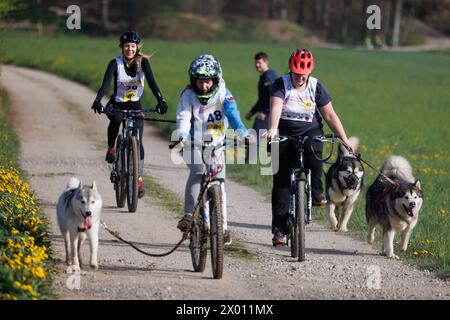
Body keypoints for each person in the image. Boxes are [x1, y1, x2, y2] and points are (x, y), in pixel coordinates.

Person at [265, 49, 354, 246]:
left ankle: (316, 191)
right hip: (284, 132)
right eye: (296, 74)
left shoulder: (316, 86)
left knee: (315, 146)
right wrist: (272, 129)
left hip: (310, 130)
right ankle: (279, 230)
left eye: (302, 75)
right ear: (291, 70)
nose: (299, 78)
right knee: (280, 181)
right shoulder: (281, 84)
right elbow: (276, 108)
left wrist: (344, 138)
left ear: (309, 72)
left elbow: (330, 115)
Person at [175, 54, 252, 245]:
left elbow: (234, 115)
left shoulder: (224, 93)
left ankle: (223, 228)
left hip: (217, 144)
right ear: (194, 81)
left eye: (207, 82)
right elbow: (183, 116)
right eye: (200, 82)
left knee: (220, 182)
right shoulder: (188, 95)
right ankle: (188, 215)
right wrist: (182, 136)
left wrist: (243, 133)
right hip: (193, 143)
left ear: (215, 80)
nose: (204, 87)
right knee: (198, 172)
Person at [91, 31, 168, 198]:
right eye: (126, 46)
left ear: (137, 47)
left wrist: (161, 100)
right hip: (117, 104)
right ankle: (112, 148)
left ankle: (138, 180)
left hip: (135, 105)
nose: (130, 49)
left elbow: (152, 82)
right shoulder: (115, 63)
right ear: (121, 47)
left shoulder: (143, 63)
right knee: (117, 119)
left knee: (138, 142)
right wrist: (98, 101)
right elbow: (105, 84)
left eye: (133, 46)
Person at [245, 52, 278, 163]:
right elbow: (262, 99)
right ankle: (249, 163)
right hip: (267, 113)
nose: (257, 65)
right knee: (264, 141)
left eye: (259, 62)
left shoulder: (269, 77)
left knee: (254, 139)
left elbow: (274, 97)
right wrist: (252, 112)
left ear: (266, 62)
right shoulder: (264, 77)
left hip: (269, 115)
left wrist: (266, 112)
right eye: (256, 63)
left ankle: (249, 163)